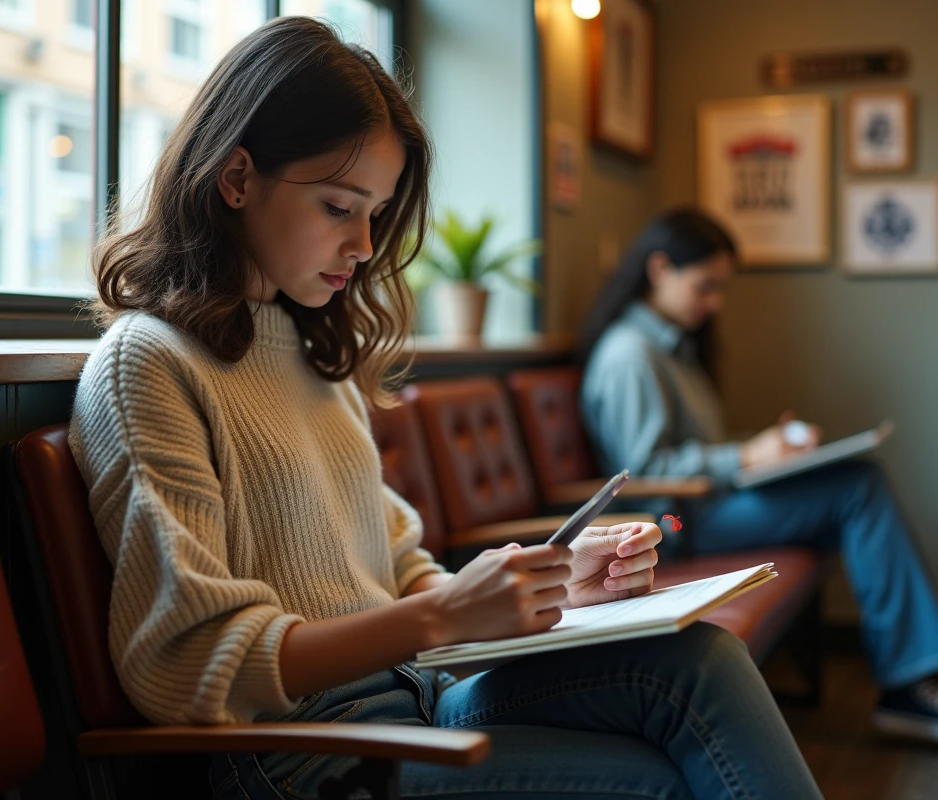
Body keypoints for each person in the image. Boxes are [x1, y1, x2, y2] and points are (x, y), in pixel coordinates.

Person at [69, 19, 824, 799]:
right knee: (662, 784)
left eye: (377, 213)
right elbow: (185, 662)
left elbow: (399, 573)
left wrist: (558, 586)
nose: (365, 245)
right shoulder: (149, 363)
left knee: (699, 662)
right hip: (295, 754)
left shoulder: (311, 354)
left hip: (412, 700)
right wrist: (439, 621)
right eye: (339, 207)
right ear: (236, 178)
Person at [578, 208, 938, 747]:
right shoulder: (629, 356)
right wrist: (745, 457)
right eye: (705, 287)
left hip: (697, 509)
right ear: (659, 268)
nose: (714, 304)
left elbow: (691, 452)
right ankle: (908, 676)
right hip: (670, 523)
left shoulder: (672, 349)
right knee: (857, 488)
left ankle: (914, 667)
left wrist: (767, 454)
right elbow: (646, 473)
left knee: (854, 489)